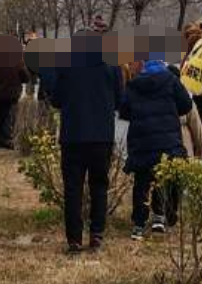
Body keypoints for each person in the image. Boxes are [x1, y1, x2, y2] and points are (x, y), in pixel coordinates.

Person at [50, 30, 124, 253]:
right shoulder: (112, 63)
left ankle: (74, 239)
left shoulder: (65, 63)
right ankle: (96, 235)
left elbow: (56, 99)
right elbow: (119, 100)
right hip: (102, 135)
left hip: (73, 135)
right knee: (99, 186)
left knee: (73, 188)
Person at [118, 54, 193, 241]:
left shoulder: (134, 84)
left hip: (142, 140)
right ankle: (159, 217)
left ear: (143, 63)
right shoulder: (171, 80)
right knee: (164, 177)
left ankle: (138, 224)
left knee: (142, 181)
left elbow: (124, 111)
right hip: (168, 139)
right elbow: (186, 105)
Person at [0, 35, 30, 150]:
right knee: (9, 116)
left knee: (1, 116)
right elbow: (25, 77)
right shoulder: (18, 61)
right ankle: (6, 140)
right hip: (12, 93)